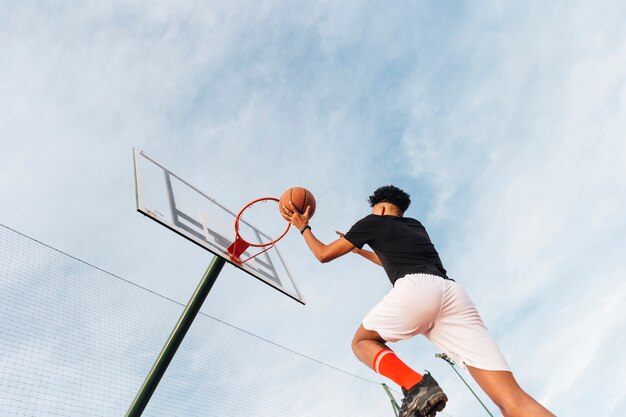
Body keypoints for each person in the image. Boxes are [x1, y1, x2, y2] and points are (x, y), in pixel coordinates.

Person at [281, 185, 556, 417]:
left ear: (382, 209)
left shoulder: (371, 222)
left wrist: (303, 227)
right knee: (511, 400)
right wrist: (359, 251)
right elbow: (391, 259)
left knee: (362, 342)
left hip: (416, 289)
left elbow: (323, 254)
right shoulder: (416, 227)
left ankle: (416, 386)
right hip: (452, 294)